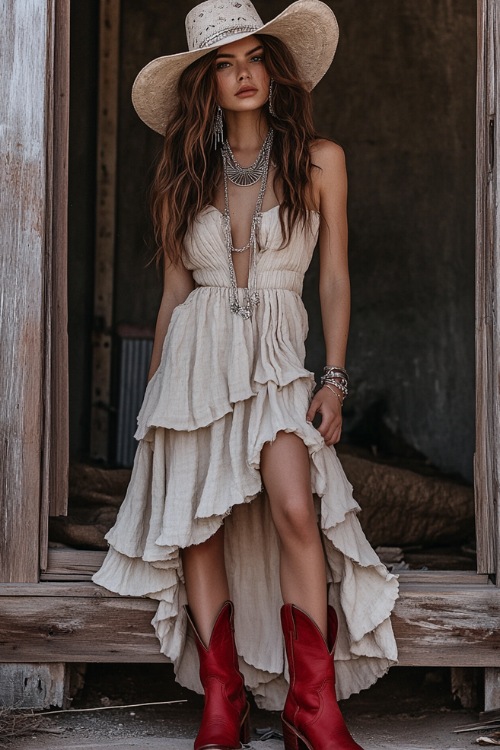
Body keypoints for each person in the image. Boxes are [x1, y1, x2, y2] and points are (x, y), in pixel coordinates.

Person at [93, 1, 399, 748]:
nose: (243, 74)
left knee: (297, 506)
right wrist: (152, 409)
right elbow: (173, 296)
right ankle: (221, 701)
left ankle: (311, 704)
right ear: (207, 82)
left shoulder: (321, 161)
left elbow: (333, 280)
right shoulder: (182, 170)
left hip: (274, 365)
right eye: (225, 64)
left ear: (274, 66)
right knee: (198, 528)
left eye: (253, 57)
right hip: (193, 368)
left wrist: (333, 377)